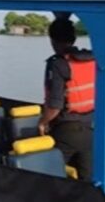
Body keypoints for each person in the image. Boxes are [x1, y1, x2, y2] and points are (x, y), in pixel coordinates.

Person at [38, 13, 95, 181]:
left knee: (50, 175)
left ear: (52, 40)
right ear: (74, 38)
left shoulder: (58, 64)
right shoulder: (93, 59)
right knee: (88, 180)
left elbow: (54, 106)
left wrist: (43, 122)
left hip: (66, 131)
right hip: (90, 130)